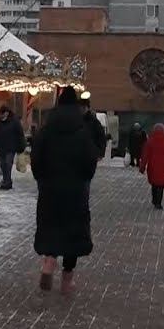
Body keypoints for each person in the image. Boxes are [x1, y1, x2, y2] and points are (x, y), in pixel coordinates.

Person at [31, 86, 99, 294]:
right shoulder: (82, 131)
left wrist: (42, 178)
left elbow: (36, 158)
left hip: (50, 189)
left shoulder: (46, 130)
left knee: (51, 226)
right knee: (73, 234)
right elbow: (90, 161)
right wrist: (83, 179)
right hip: (75, 191)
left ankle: (49, 262)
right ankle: (67, 280)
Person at [139, 124, 164, 210]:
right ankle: (158, 203)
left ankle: (155, 199)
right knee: (161, 185)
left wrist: (142, 167)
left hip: (152, 167)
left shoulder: (150, 142)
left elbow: (145, 156)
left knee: (154, 184)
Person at [0, 105, 25, 190]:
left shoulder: (14, 121)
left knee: (8, 164)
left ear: (7, 113)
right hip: (1, 147)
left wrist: (21, 146)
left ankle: (7, 182)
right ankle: (6, 181)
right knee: (3, 165)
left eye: (3, 114)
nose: (1, 116)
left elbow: (20, 134)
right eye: (0, 114)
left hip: (11, 147)